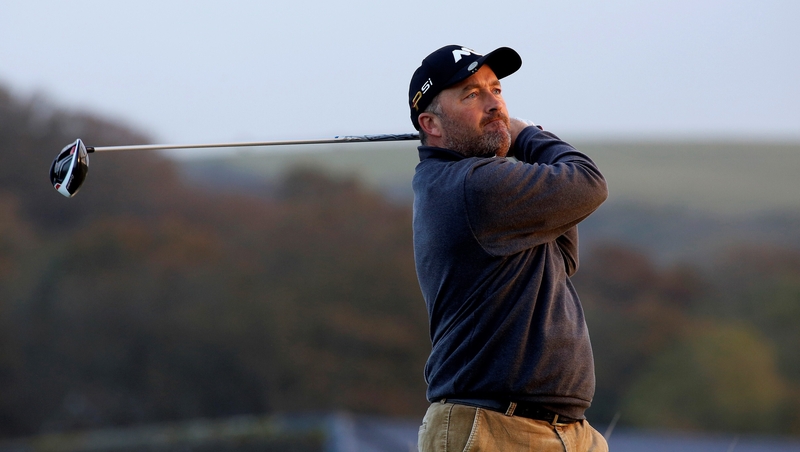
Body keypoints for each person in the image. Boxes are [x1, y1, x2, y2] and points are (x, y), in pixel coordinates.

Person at [409, 45, 609, 451]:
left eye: (496, 90)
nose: (494, 104)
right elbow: (587, 183)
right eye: (471, 94)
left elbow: (562, 259)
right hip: (492, 427)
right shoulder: (469, 187)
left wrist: (512, 144)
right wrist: (529, 135)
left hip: (568, 432)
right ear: (431, 123)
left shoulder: (487, 184)